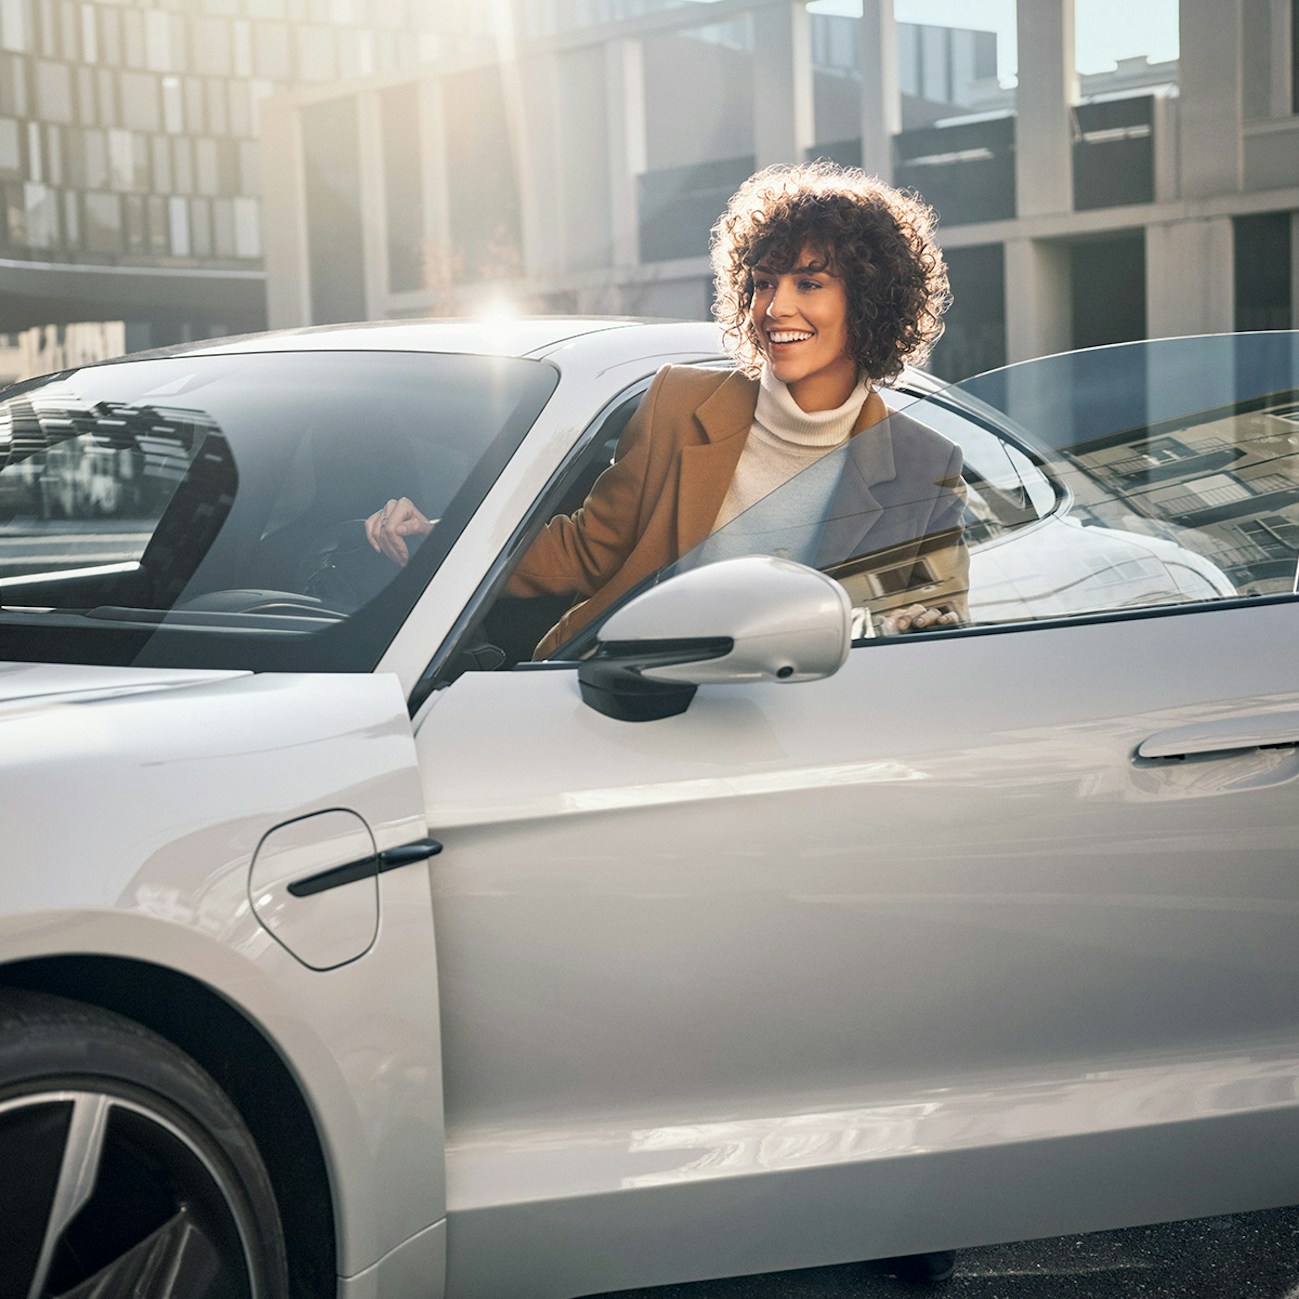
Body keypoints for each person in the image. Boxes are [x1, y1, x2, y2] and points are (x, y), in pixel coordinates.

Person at [367, 161, 967, 660]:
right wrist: (441, 541)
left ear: (868, 303)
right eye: (762, 283)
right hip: (632, 689)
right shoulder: (677, 403)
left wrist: (928, 625)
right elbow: (585, 550)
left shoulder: (924, 464)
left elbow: (936, 620)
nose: (775, 307)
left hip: (808, 728)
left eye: (809, 285)